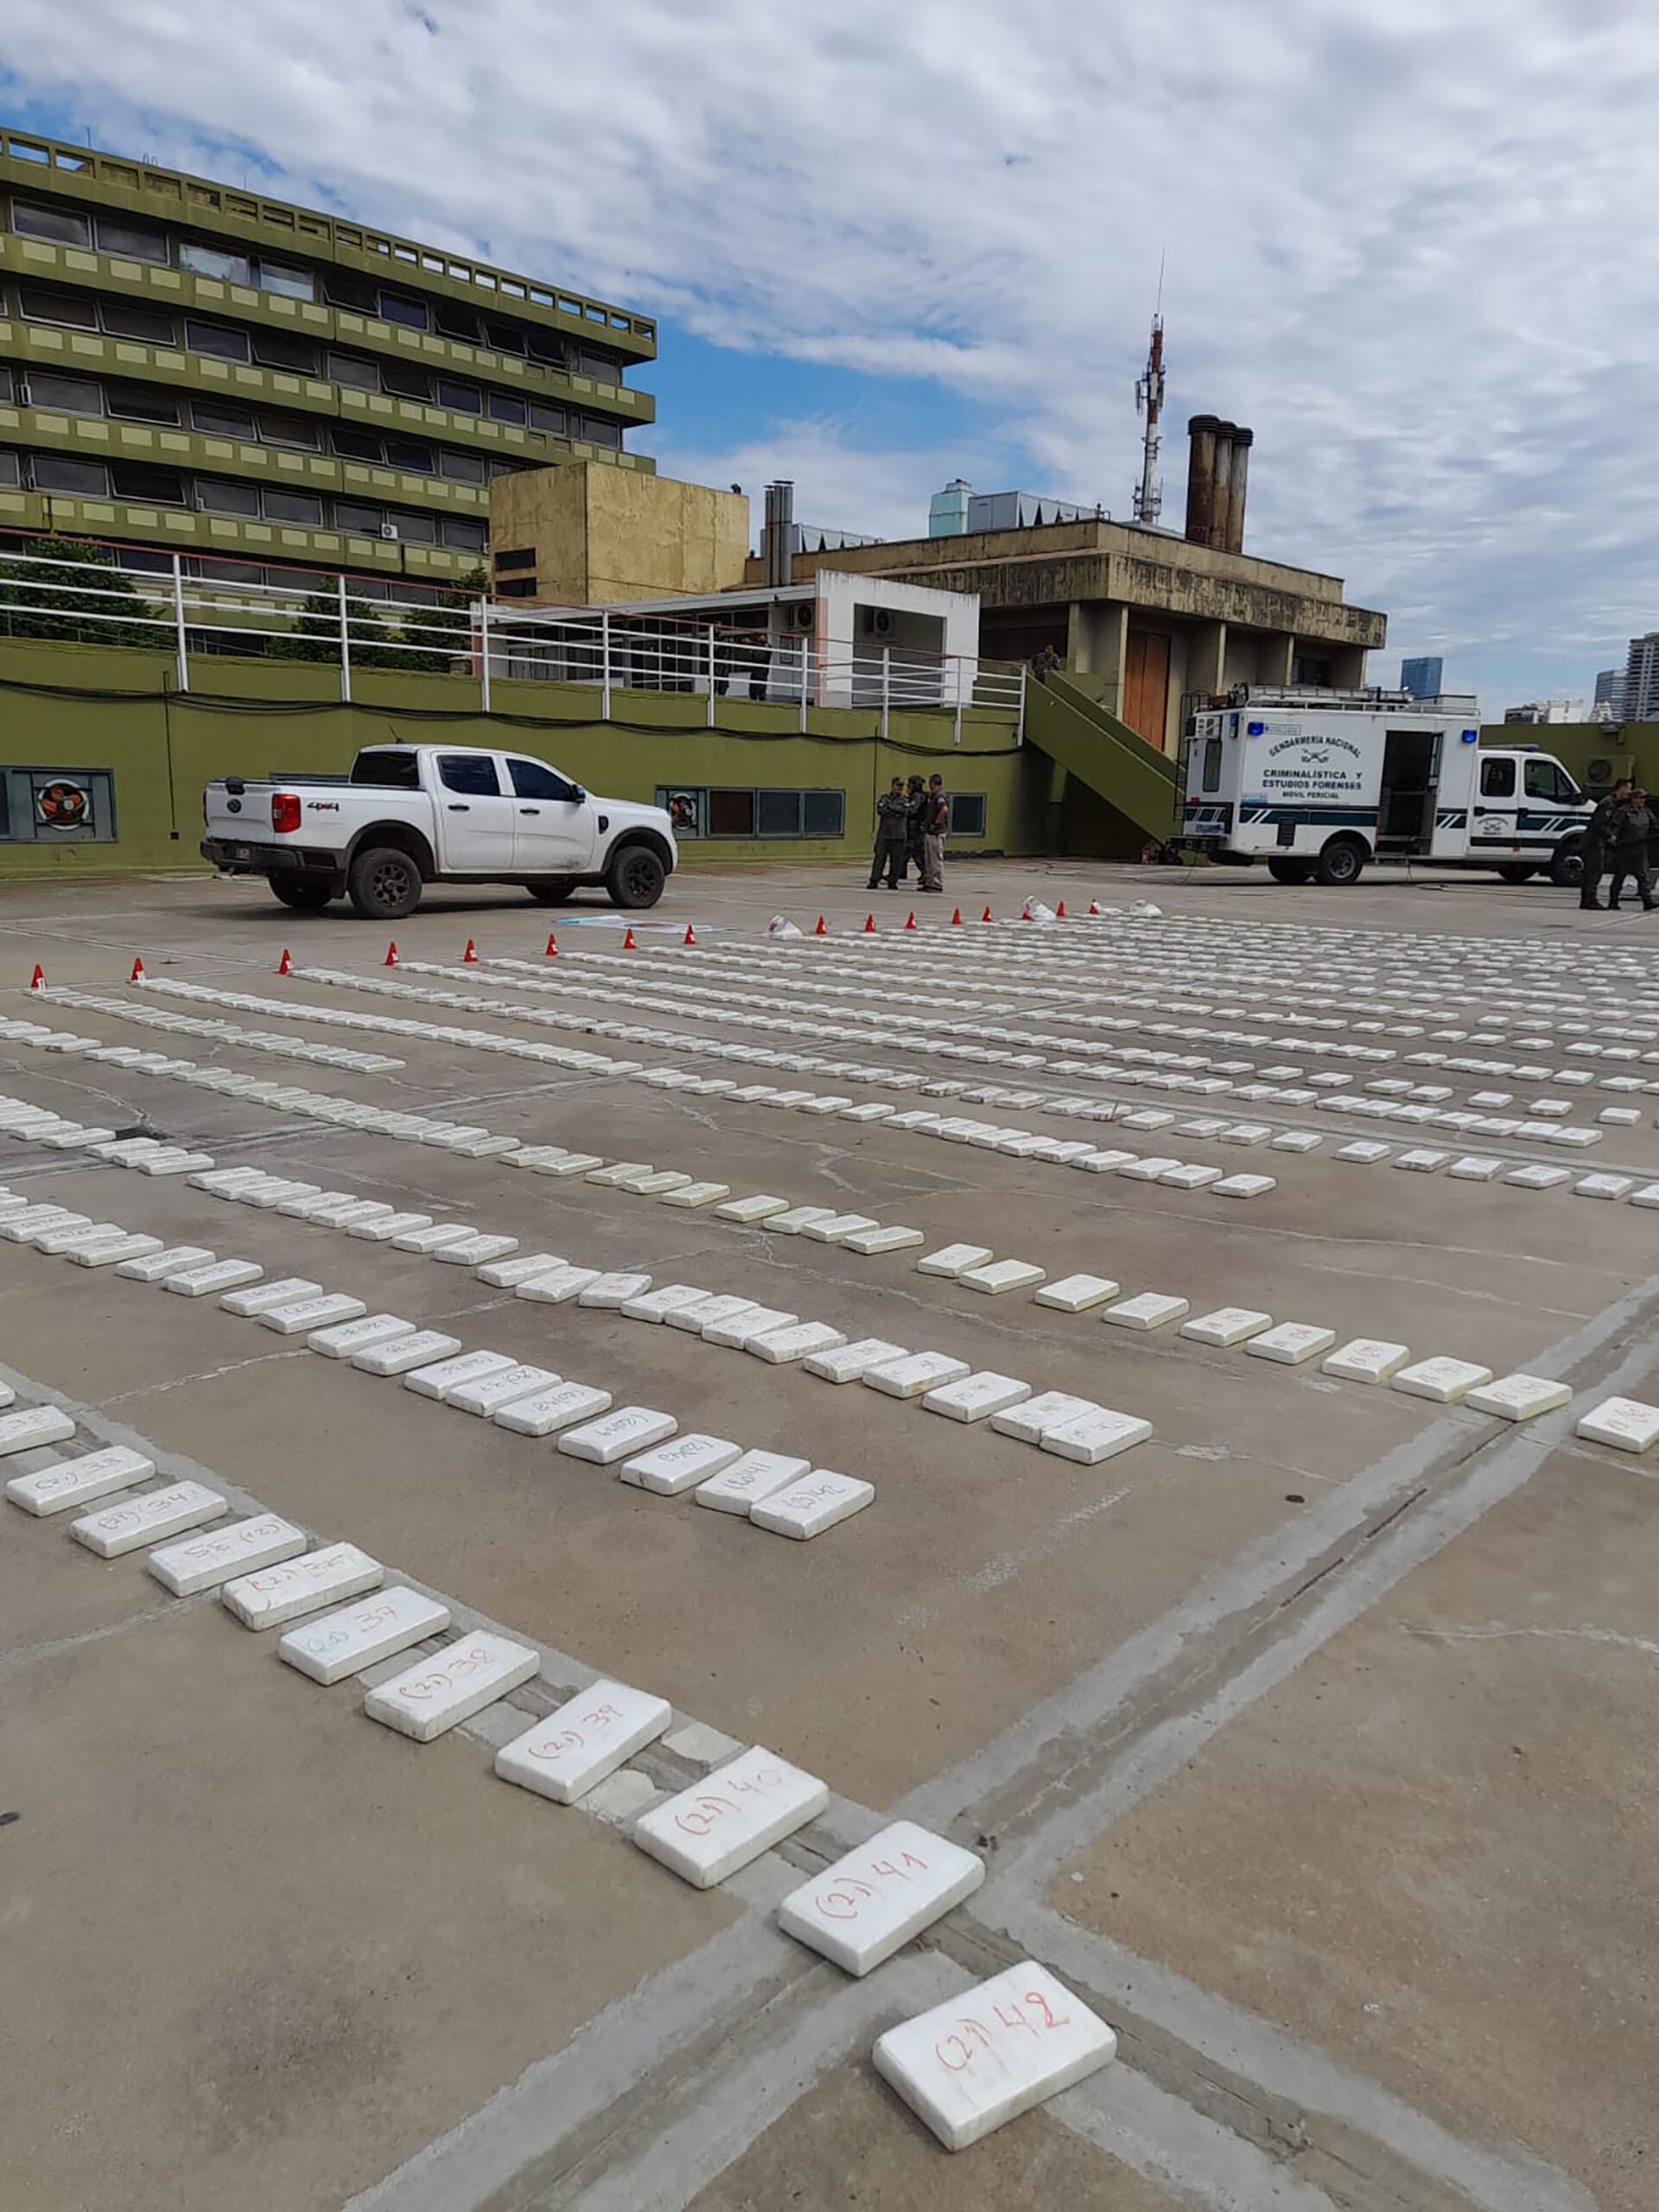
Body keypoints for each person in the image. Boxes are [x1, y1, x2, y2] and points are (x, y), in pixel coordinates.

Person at [1605, 783, 1656, 911]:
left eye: (1644, 798)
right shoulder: (1623, 811)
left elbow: (1654, 825)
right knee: (1620, 875)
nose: (1643, 800)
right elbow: (1615, 826)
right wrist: (1613, 838)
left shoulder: (1646, 812)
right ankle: (1613, 901)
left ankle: (1647, 901)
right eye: (1640, 798)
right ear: (1634, 799)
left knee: (1643, 875)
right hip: (1625, 848)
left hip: (1640, 847)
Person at [1578, 779, 1625, 910]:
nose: (1629, 792)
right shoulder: (1608, 803)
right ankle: (1590, 900)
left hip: (1596, 842)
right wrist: (1610, 835)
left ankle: (1586, 899)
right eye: (1628, 788)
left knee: (1592, 871)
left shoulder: (1613, 803)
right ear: (1621, 788)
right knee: (1594, 871)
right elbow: (1600, 824)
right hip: (1594, 843)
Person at [868, 775, 911, 891]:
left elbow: (905, 811)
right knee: (879, 858)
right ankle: (874, 880)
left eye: (902, 786)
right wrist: (895, 809)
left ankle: (892, 881)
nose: (900, 788)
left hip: (899, 835)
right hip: (884, 834)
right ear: (892, 786)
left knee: (896, 861)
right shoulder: (885, 798)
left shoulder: (905, 800)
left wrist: (891, 808)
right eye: (898, 786)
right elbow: (881, 810)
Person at [920, 772, 950, 892]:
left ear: (933, 783)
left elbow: (944, 810)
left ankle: (936, 883)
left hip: (936, 833)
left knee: (935, 859)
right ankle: (929, 882)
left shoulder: (939, 796)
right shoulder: (933, 796)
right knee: (929, 860)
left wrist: (935, 823)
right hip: (930, 833)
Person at [904, 774, 927, 881]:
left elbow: (912, 810)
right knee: (907, 850)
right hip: (916, 826)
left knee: (914, 850)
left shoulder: (917, 796)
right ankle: (900, 871)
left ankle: (925, 872)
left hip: (916, 827)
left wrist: (903, 807)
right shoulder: (920, 795)